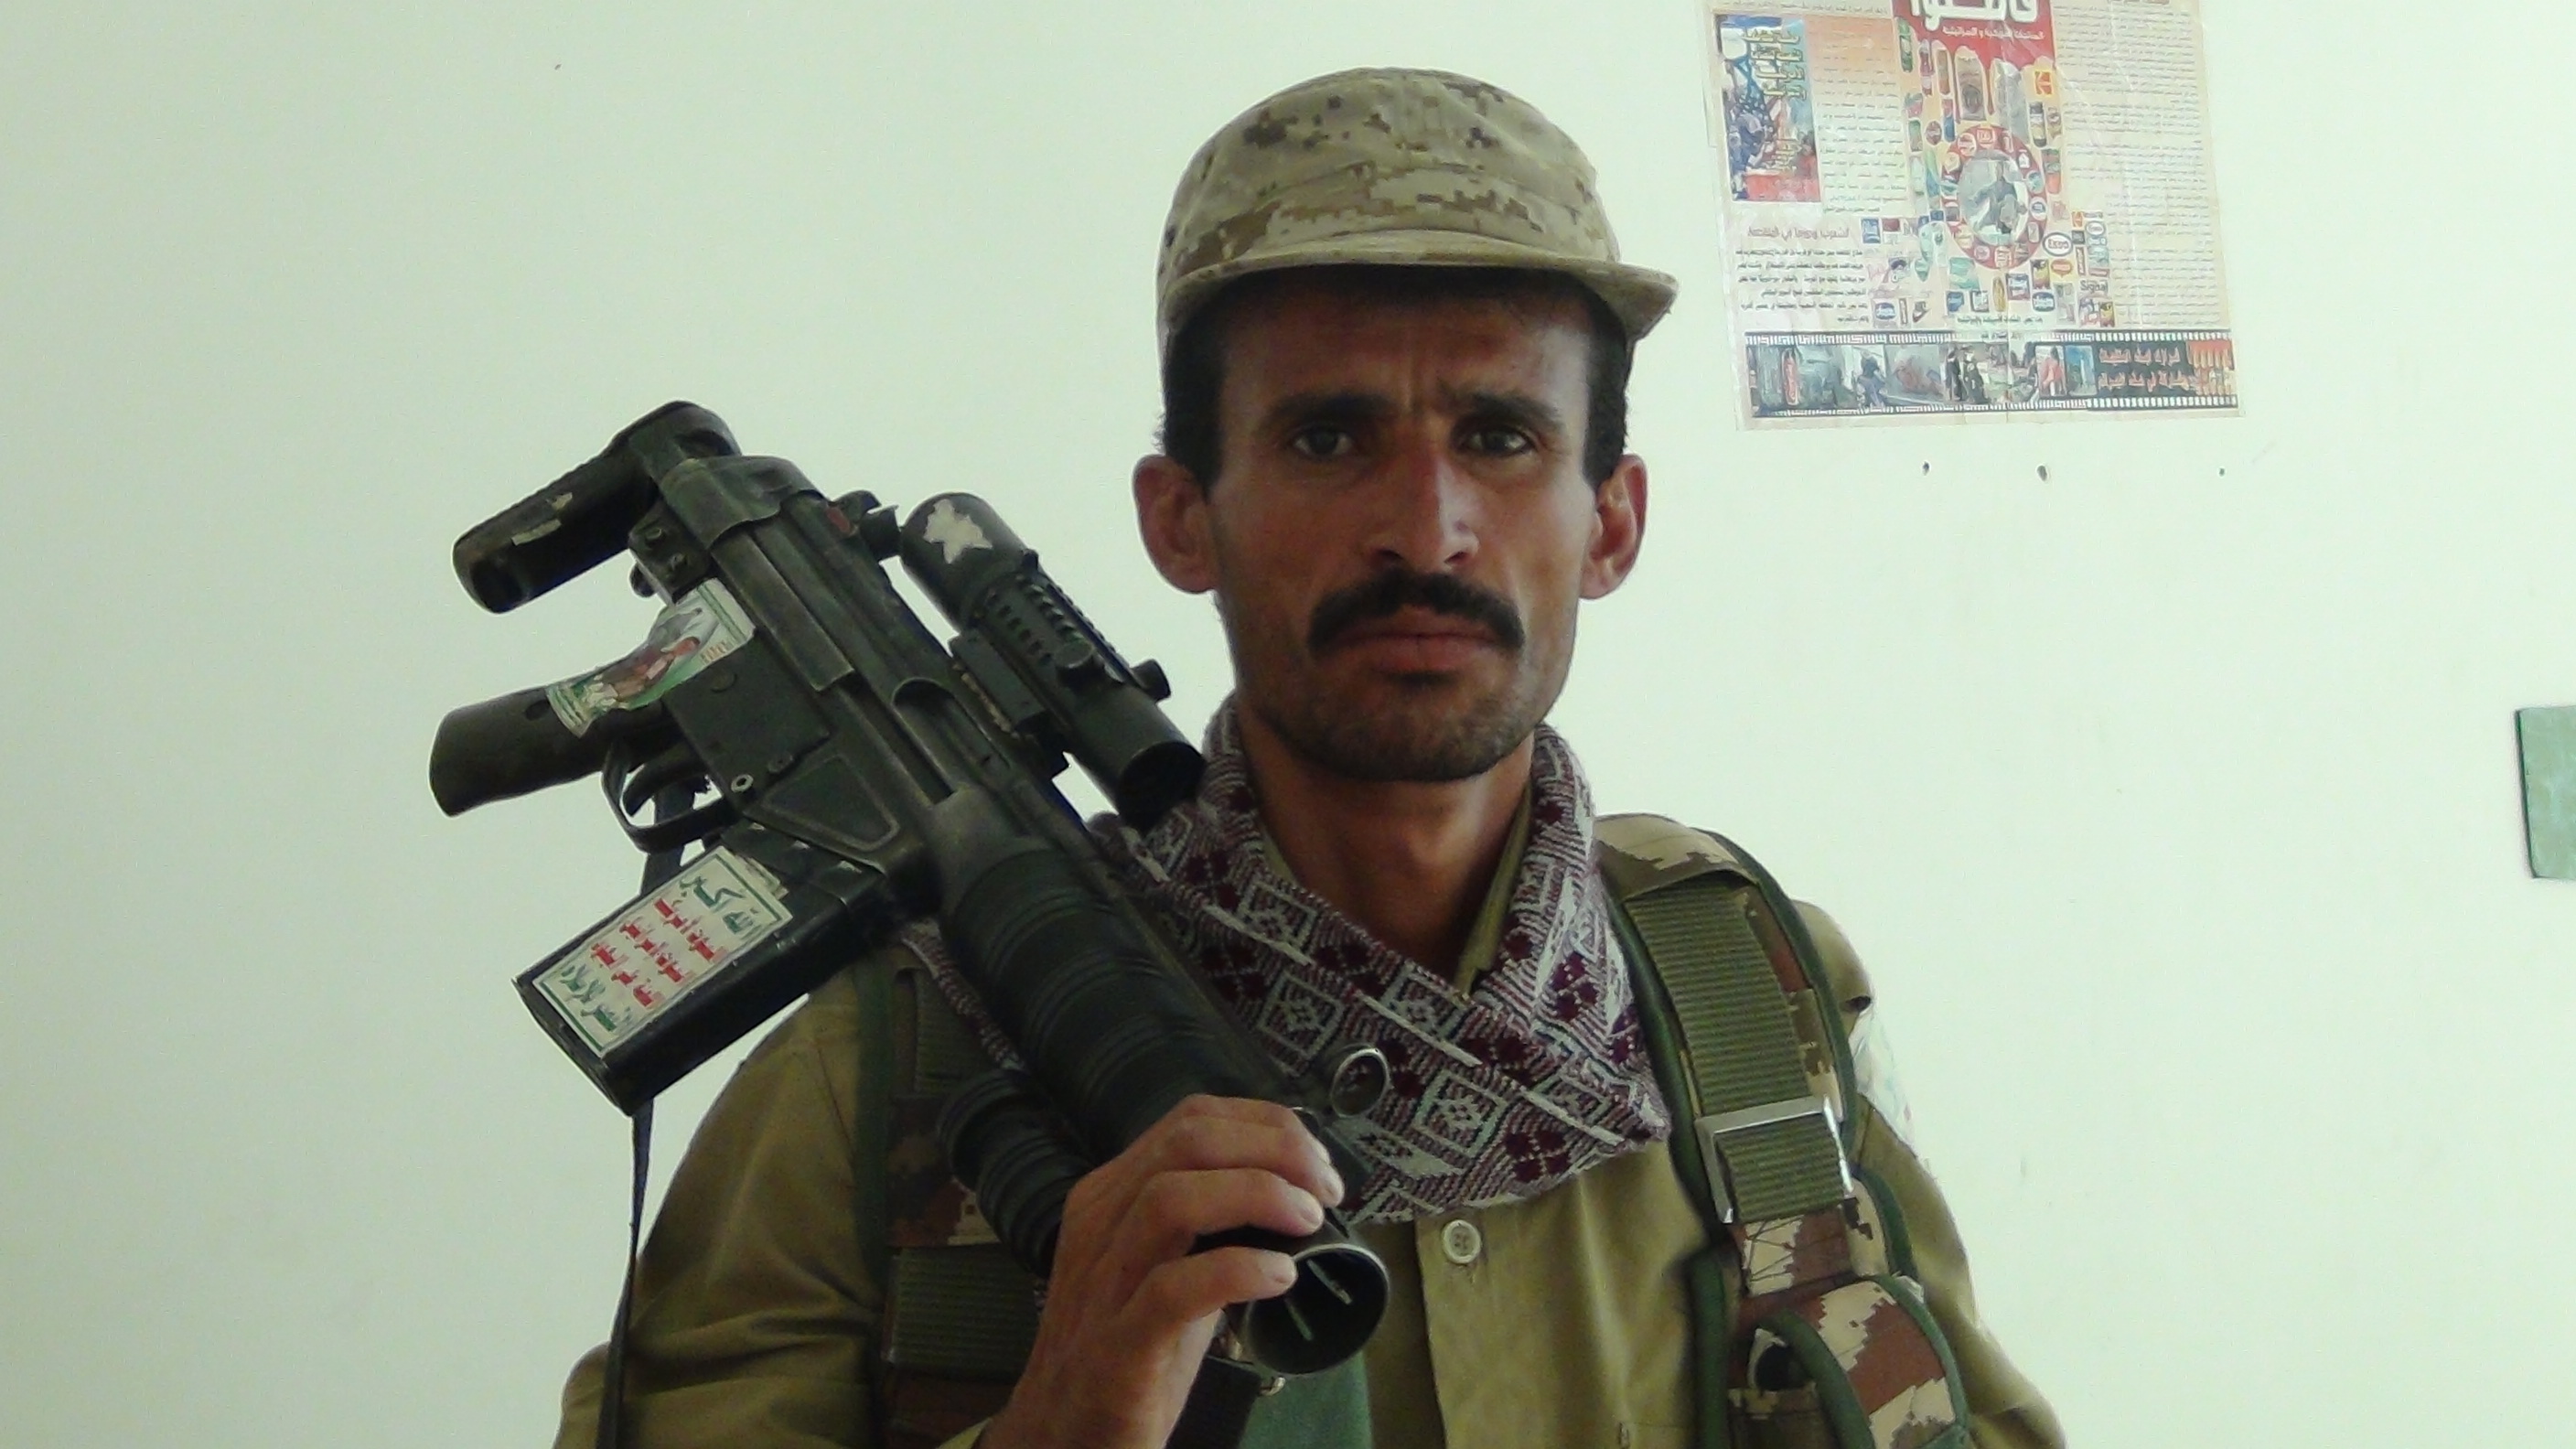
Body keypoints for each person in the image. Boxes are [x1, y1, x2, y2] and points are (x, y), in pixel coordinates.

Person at [549, 67, 2063, 1449]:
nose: (1426, 528)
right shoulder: (908, 1056)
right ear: (1181, 519)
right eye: (1329, 441)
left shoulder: (1758, 1004)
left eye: (1501, 437)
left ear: (1612, 522)